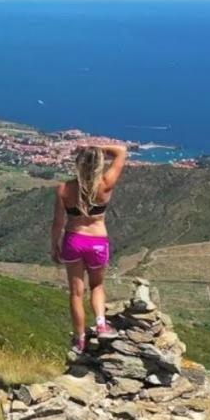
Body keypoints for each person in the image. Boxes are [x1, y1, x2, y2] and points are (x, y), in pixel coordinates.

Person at [49, 144, 128, 355]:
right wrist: (95, 148)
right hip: (97, 242)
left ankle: (80, 338)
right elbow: (121, 151)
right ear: (99, 165)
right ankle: (102, 324)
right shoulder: (105, 184)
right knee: (97, 286)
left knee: (76, 293)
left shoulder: (64, 189)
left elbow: (58, 223)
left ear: (77, 165)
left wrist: (54, 246)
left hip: (73, 241)